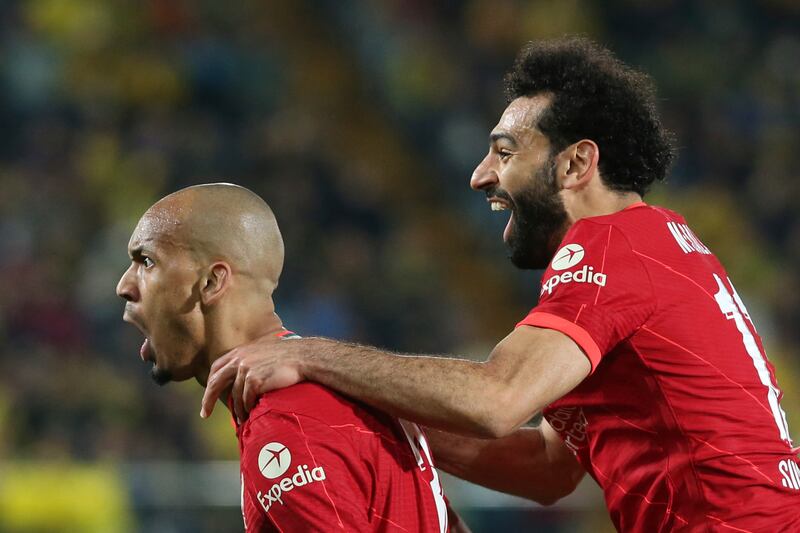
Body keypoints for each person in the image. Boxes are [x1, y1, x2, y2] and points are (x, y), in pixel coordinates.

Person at [199, 37, 800, 532]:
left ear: (574, 165)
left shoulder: (610, 247)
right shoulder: (649, 247)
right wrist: (376, 412)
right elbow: (545, 468)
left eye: (505, 151)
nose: (479, 175)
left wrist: (309, 355)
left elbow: (495, 399)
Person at [116, 183, 463, 532]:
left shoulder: (285, 423)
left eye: (146, 261)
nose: (124, 286)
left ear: (211, 283)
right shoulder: (345, 393)